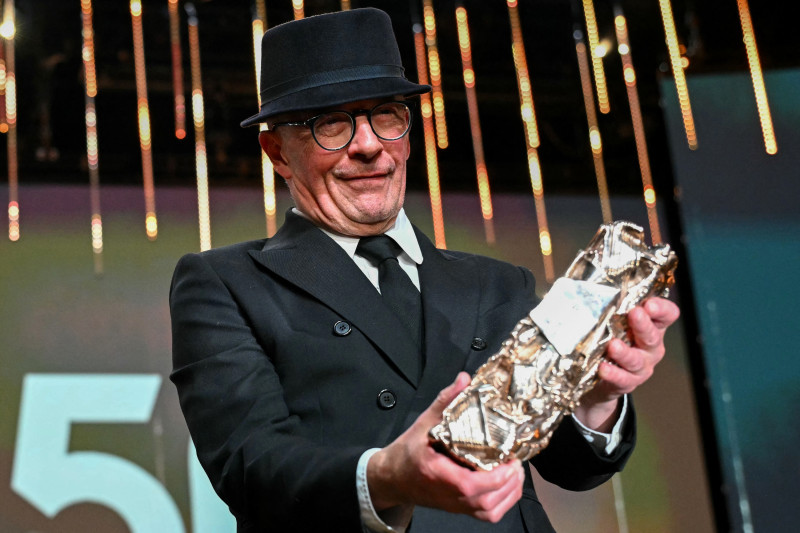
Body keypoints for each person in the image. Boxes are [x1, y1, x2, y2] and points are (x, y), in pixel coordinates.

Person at [169, 8, 680, 533]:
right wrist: (389, 476)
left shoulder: (499, 285)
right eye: (332, 124)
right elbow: (252, 468)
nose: (368, 146)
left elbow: (571, 466)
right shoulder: (225, 284)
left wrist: (597, 398)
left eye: (386, 115)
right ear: (277, 151)